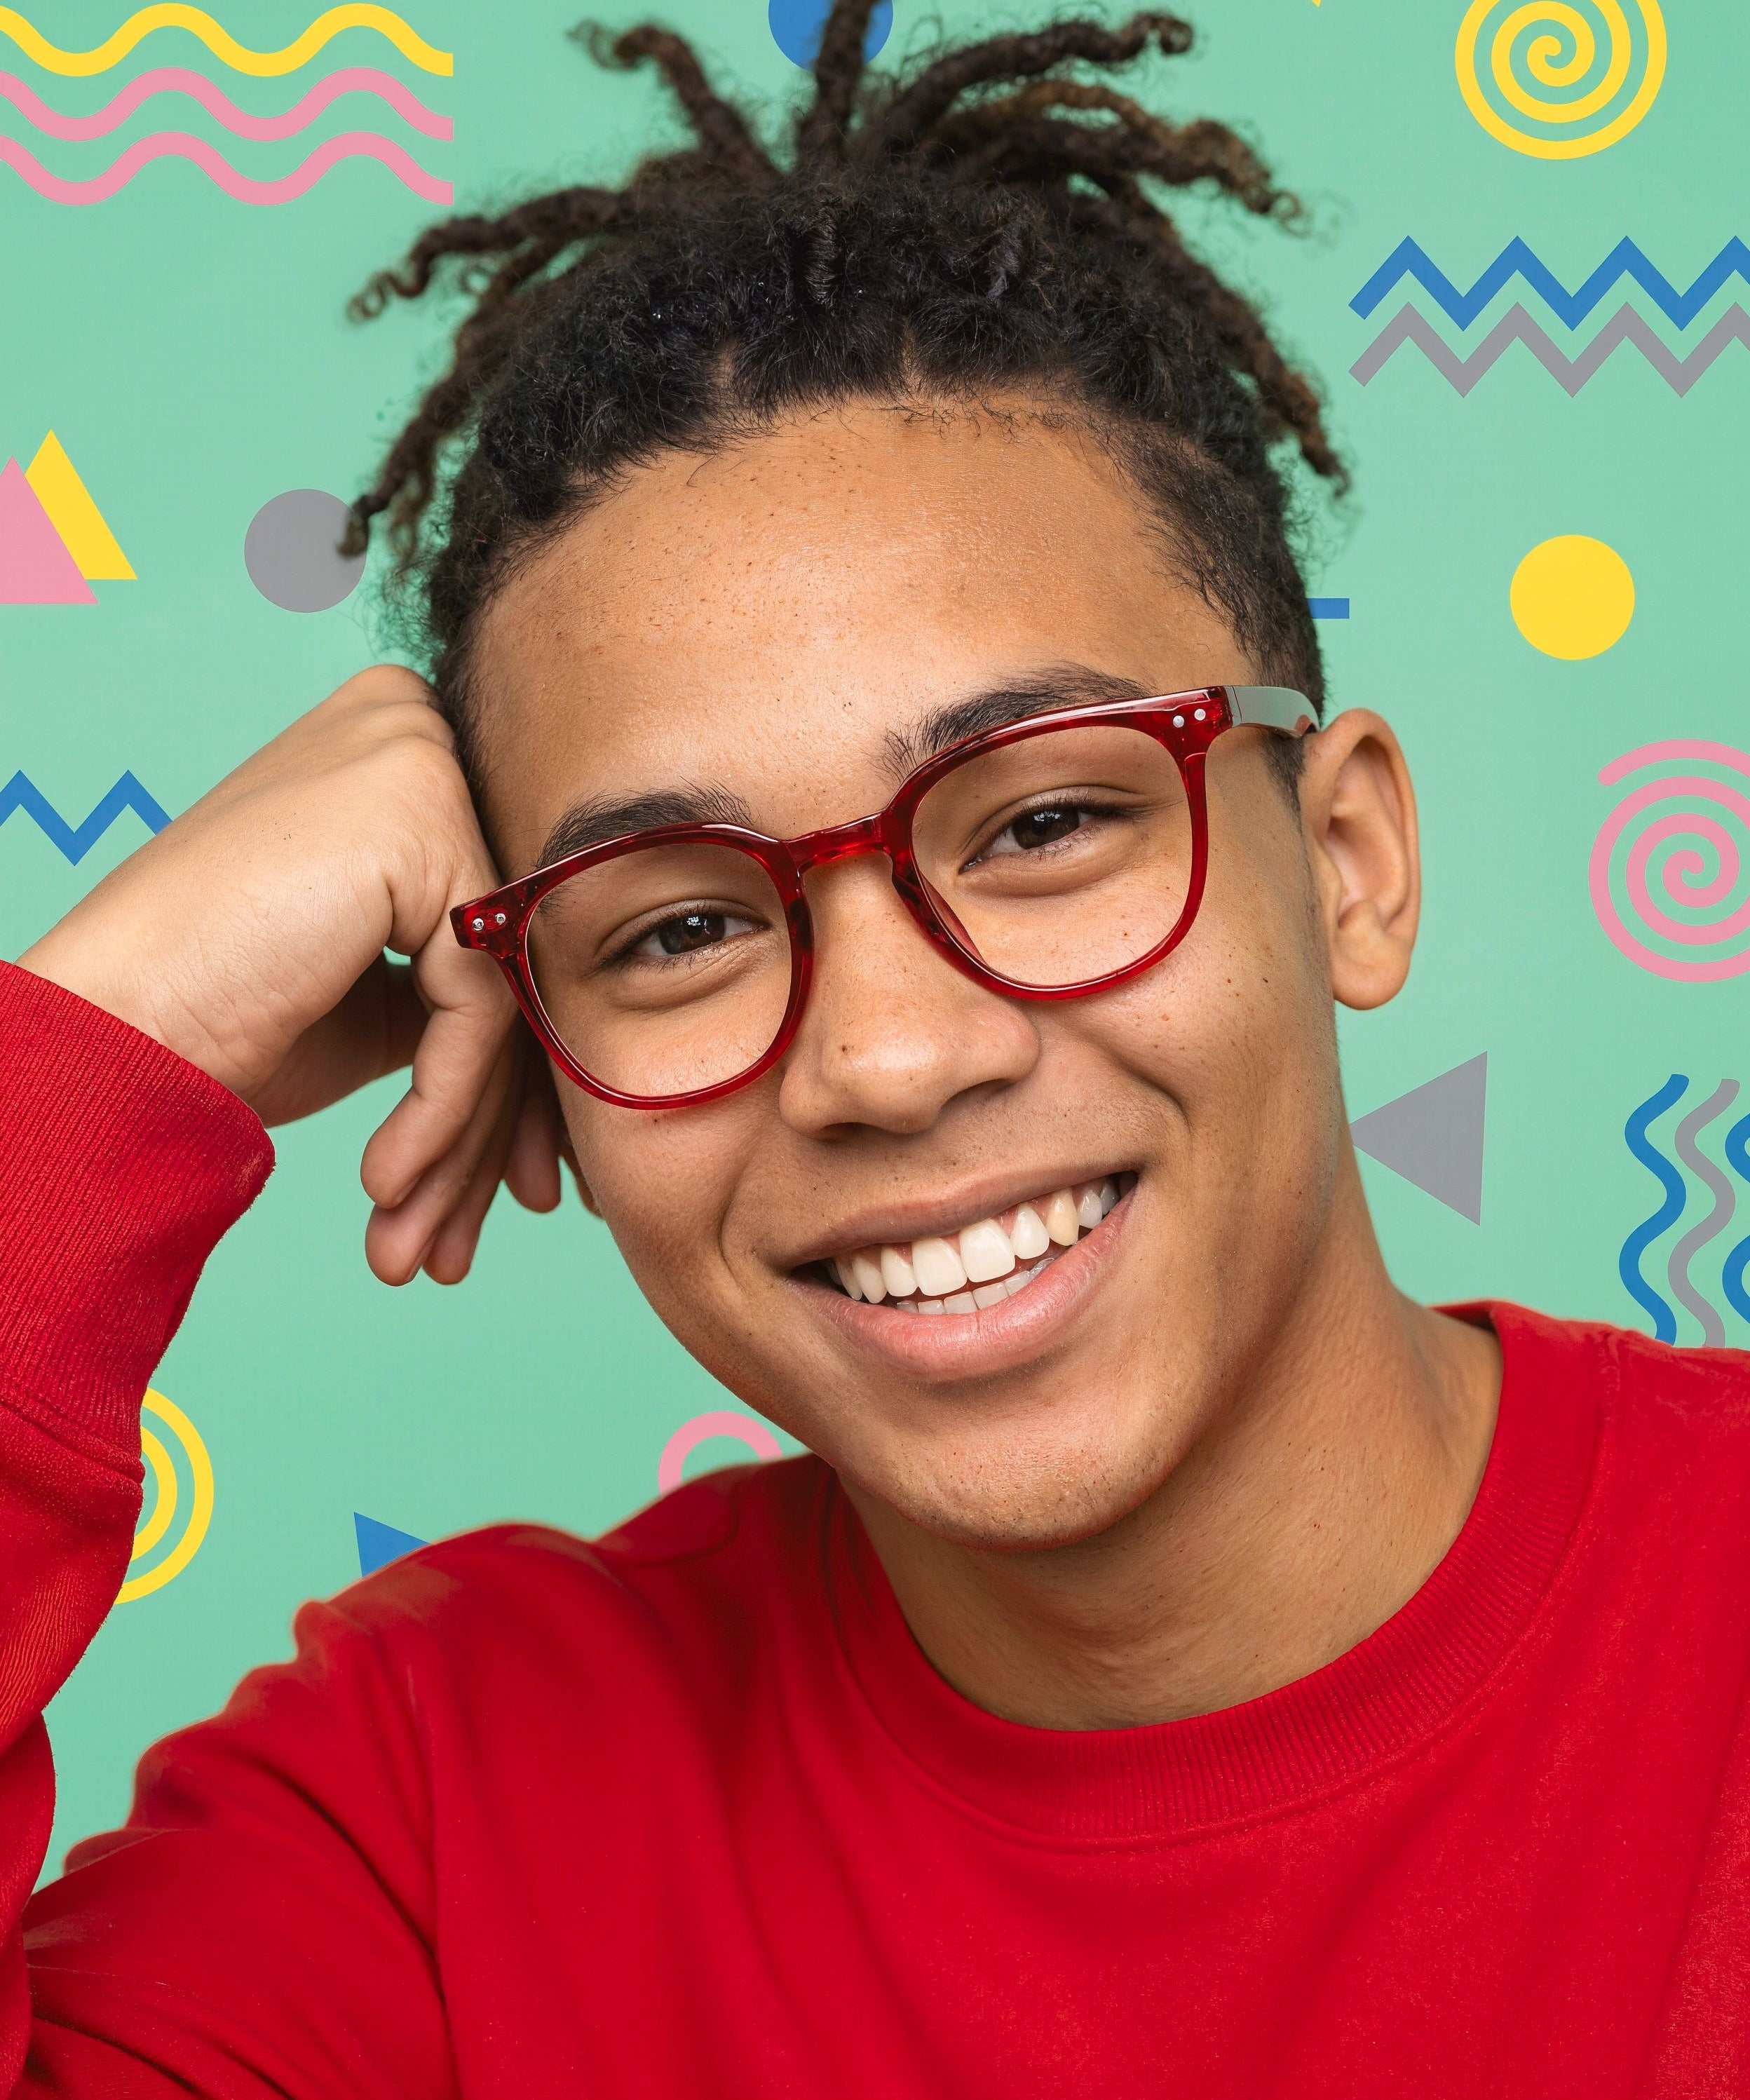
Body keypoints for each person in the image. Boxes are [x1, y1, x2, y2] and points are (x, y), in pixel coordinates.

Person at [4, 6, 1748, 2093]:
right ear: (536, 1051)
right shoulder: (422, 1818)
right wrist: (97, 1048)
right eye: (677, 928)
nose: (893, 1058)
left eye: (1043, 820)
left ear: (1350, 861)